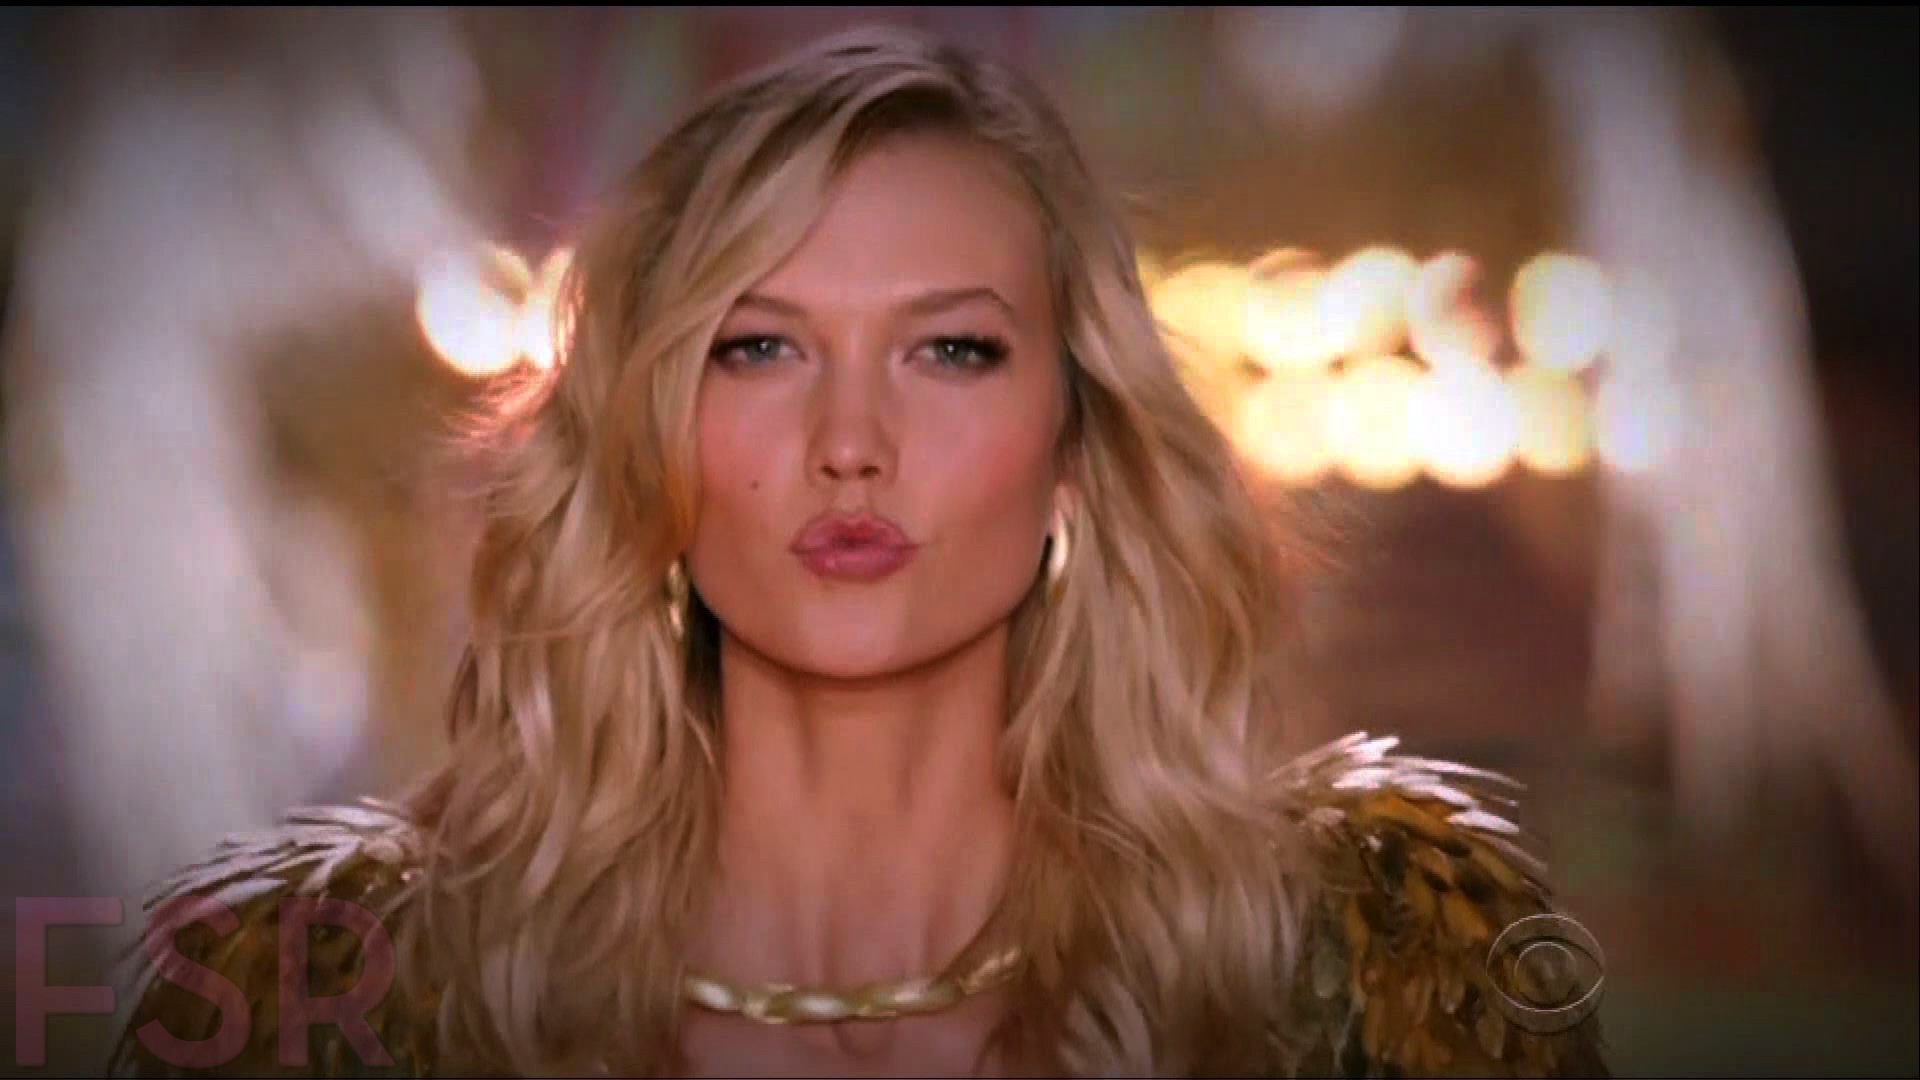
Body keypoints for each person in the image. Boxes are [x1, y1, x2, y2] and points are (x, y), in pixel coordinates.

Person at [108, 26, 1608, 1078]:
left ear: (1077, 442)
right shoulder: (325, 1004)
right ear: (645, 434)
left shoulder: (1386, 974)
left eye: (951, 351)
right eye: (759, 347)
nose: (851, 442)